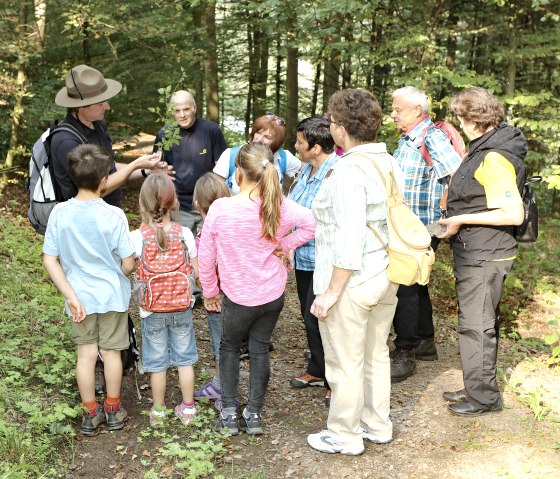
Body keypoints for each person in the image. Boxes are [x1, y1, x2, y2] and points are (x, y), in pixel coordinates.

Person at [306, 89, 403, 456]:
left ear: (342, 130)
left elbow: (347, 239)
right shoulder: (388, 161)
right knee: (375, 354)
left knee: (345, 362)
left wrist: (330, 293)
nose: (330, 127)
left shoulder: (347, 170)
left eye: (331, 121)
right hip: (384, 273)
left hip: (353, 280)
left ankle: (345, 435)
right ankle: (377, 425)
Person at [198, 142, 316, 436]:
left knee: (229, 349)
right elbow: (312, 225)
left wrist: (210, 292)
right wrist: (283, 245)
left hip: (238, 299)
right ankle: (253, 415)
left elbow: (206, 256)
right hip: (271, 296)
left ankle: (227, 414)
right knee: (259, 349)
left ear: (238, 172)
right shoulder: (279, 205)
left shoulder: (221, 208)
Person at [437, 87, 526, 417]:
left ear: (471, 119)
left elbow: (512, 213)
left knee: (477, 325)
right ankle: (477, 385)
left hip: (486, 254)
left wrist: (459, 218)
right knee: (477, 322)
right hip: (478, 249)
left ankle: (485, 398)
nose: (460, 125)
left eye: (460, 119)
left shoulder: (494, 156)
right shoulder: (487, 148)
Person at [42, 144, 135, 436]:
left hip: (79, 297)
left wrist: (70, 295)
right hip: (111, 297)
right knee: (111, 353)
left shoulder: (59, 213)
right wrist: (116, 275)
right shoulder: (115, 215)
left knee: (85, 355)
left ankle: (90, 414)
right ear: (104, 179)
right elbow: (129, 264)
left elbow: (50, 258)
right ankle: (113, 409)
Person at [389, 86, 463, 383]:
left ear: (417, 111)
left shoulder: (429, 136)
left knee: (404, 283)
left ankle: (405, 350)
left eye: (398, 110)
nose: (392, 114)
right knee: (416, 283)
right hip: (409, 224)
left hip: (422, 225)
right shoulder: (408, 138)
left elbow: (458, 173)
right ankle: (424, 341)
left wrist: (447, 216)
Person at [130, 173, 200, 427]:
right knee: (185, 358)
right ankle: (189, 409)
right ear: (174, 203)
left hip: (152, 310)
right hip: (181, 306)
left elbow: (127, 266)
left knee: (157, 362)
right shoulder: (185, 234)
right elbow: (196, 271)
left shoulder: (138, 237)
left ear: (143, 204)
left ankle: (159, 411)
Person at [51, 64, 166, 208]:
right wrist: (135, 164)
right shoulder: (65, 141)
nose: (107, 107)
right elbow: (94, 190)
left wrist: (146, 170)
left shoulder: (98, 125)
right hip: (84, 223)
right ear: (79, 107)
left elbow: (109, 169)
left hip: (108, 214)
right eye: (100, 103)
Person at [288, 116, 339, 407]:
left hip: (326, 260)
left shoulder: (337, 174)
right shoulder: (304, 172)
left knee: (324, 318)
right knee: (309, 318)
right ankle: (318, 370)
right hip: (303, 257)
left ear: (317, 147)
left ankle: (335, 379)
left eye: (301, 143)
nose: (296, 146)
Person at [153, 90, 228, 234]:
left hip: (208, 205)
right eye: (177, 110)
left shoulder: (211, 130)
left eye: (186, 109)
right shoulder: (164, 135)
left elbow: (223, 168)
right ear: (172, 112)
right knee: (183, 250)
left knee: (209, 250)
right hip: (179, 207)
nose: (182, 115)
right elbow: (155, 171)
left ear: (194, 108)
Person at [191, 172, 231, 402]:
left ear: (197, 204)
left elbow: (202, 268)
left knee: (222, 345)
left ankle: (227, 395)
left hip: (216, 296)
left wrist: (207, 289)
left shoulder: (206, 232)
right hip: (238, 294)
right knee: (230, 344)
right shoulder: (234, 225)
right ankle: (219, 384)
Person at [213, 113, 301, 194]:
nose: (259, 139)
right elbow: (214, 190)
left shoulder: (284, 158)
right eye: (258, 133)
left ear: (277, 142)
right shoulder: (230, 155)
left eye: (267, 137)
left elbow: (309, 172)